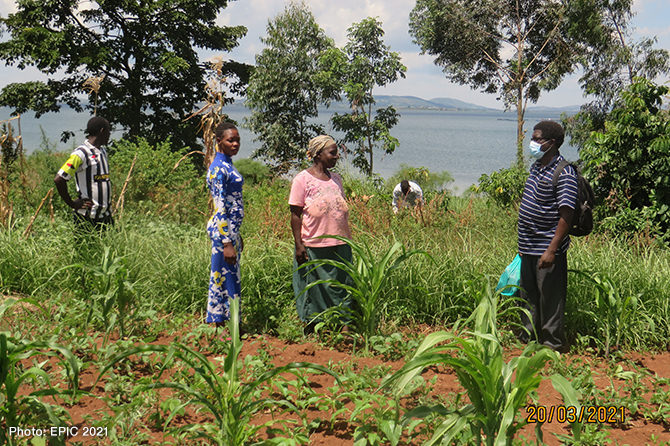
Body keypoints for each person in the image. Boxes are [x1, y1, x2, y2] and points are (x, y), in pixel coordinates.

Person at [517, 121, 577, 353]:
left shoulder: (564, 172)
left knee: (550, 299)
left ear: (551, 143)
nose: (532, 143)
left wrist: (552, 250)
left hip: (546, 248)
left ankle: (552, 346)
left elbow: (566, 214)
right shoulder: (537, 166)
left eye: (537, 139)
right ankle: (529, 339)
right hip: (528, 247)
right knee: (528, 295)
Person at [289, 135, 352, 329]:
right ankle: (314, 327)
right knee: (314, 288)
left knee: (342, 286)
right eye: (332, 153)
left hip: (340, 244)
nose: (337, 156)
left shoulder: (336, 180)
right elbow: (295, 215)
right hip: (314, 245)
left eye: (337, 152)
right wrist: (299, 245)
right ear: (318, 155)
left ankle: (344, 326)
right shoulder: (302, 180)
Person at [205, 122, 244, 325]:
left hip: (230, 233)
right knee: (223, 279)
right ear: (219, 141)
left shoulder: (227, 163)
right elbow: (220, 208)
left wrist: (236, 235)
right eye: (231, 140)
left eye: (237, 140)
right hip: (223, 236)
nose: (235, 143)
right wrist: (227, 242)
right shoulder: (218, 168)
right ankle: (220, 325)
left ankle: (227, 324)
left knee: (227, 278)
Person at [54, 116, 113, 230]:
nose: (109, 135)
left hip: (105, 218)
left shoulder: (103, 151)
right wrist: (72, 203)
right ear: (102, 131)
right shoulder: (81, 154)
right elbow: (59, 179)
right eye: (109, 131)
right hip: (87, 219)